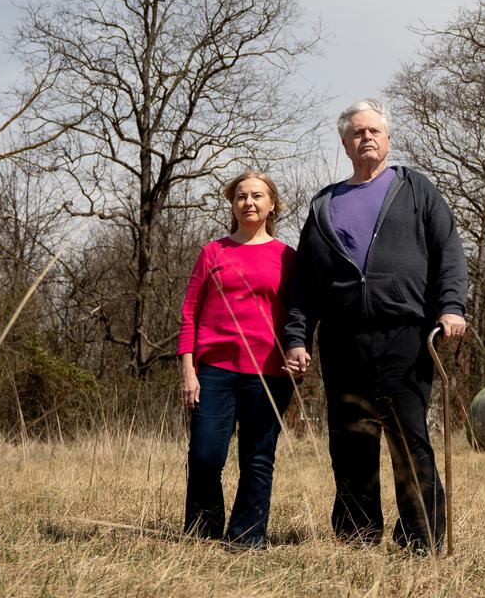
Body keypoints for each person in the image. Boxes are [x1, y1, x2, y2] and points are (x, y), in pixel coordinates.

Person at [283, 98, 467, 553]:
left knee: (408, 438)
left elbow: (449, 252)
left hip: (404, 335)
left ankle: (421, 540)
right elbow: (305, 282)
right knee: (350, 442)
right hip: (343, 341)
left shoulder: (415, 188)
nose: (366, 138)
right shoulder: (324, 203)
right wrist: (296, 338)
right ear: (345, 144)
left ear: (387, 139)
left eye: (374, 132)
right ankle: (357, 539)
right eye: (357, 133)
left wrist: (451, 307)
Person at [178, 171, 297, 549]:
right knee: (205, 456)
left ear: (272, 204)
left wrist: (299, 350)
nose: (248, 202)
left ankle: (247, 537)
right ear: (232, 204)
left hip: (269, 373)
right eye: (241, 196)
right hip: (214, 371)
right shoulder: (213, 252)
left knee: (258, 459)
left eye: (257, 195)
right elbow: (189, 312)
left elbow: (297, 313)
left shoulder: (287, 257)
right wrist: (188, 370)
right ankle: (202, 534)